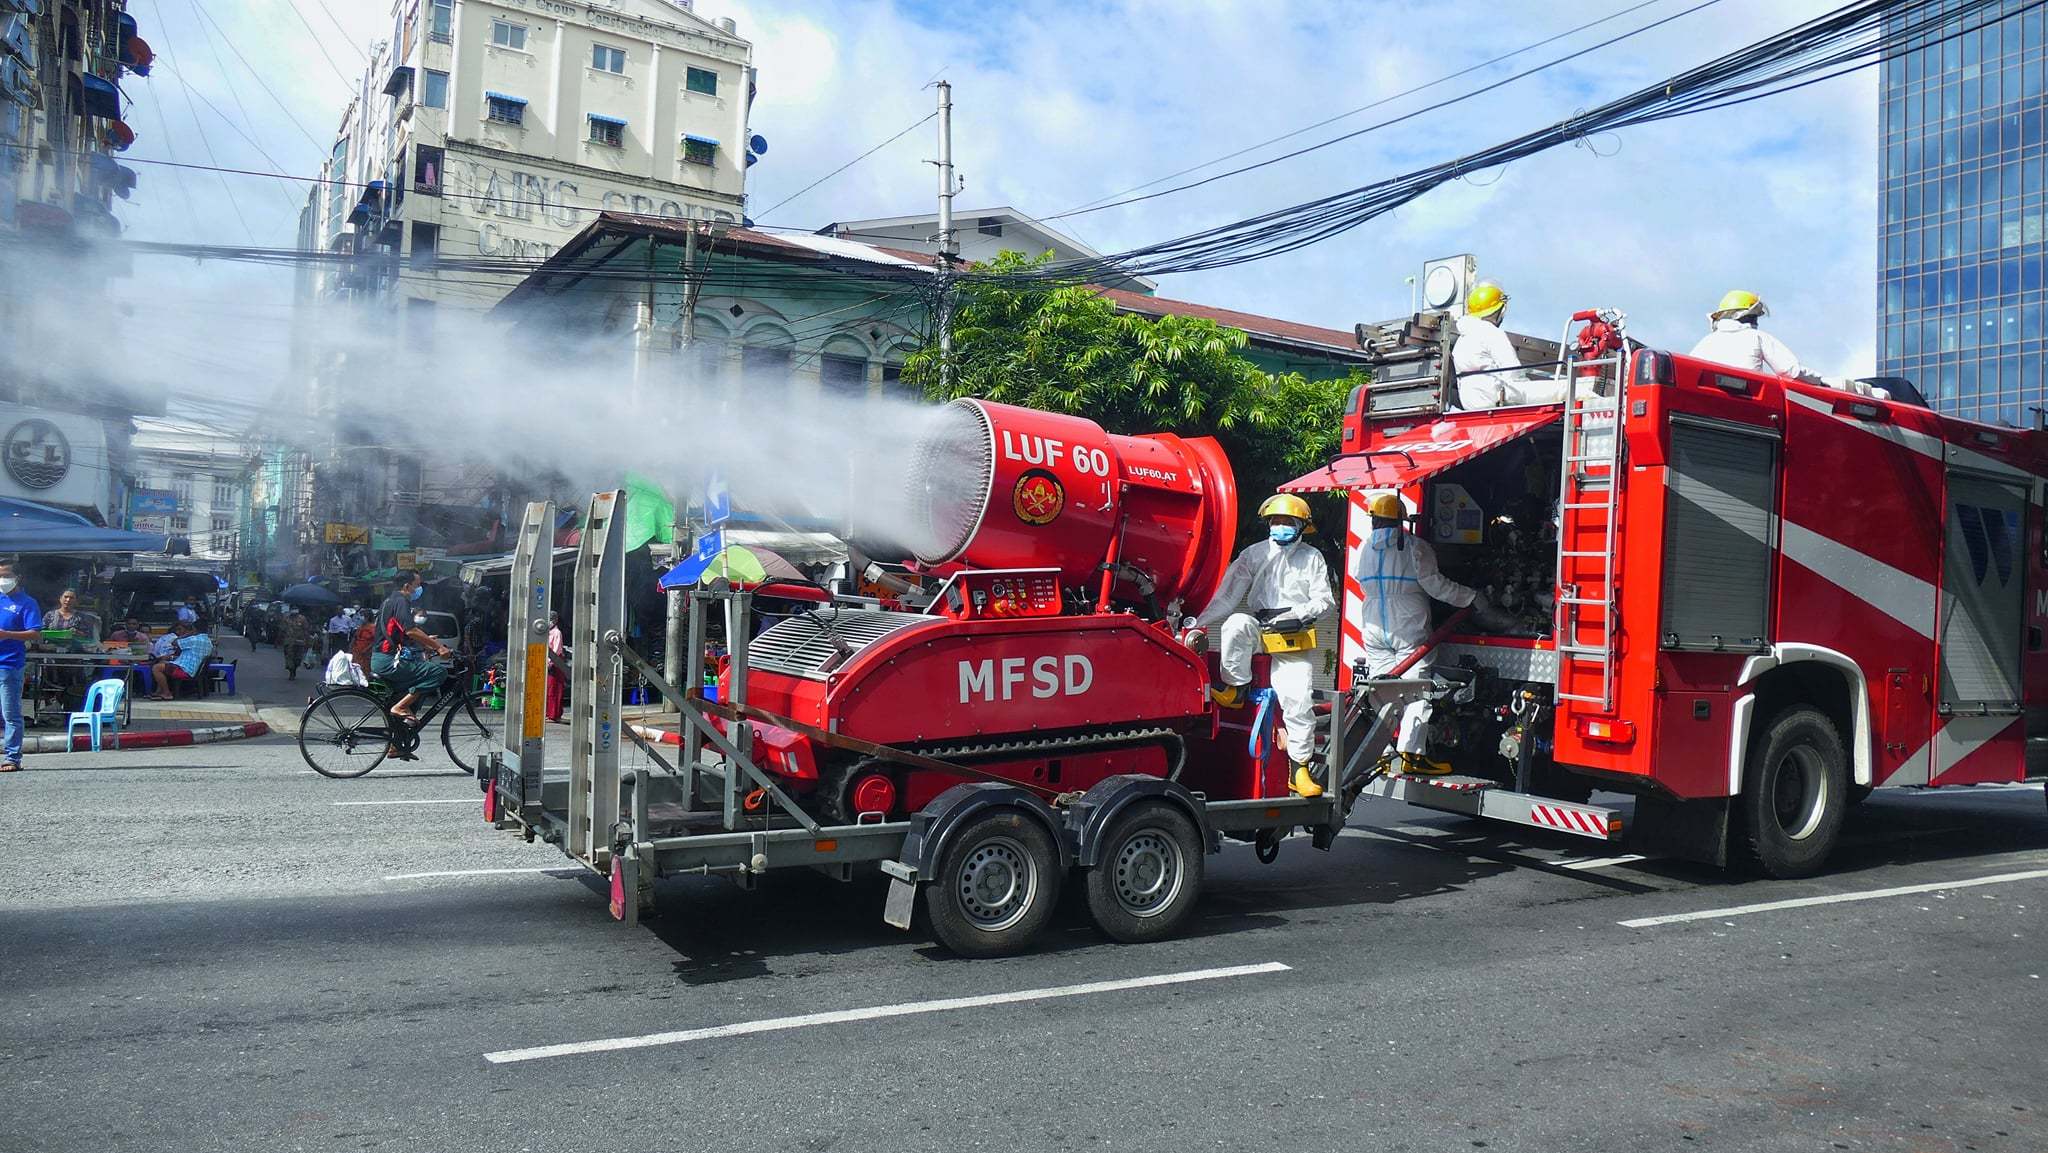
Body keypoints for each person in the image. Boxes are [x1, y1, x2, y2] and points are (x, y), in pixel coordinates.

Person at [1190, 494, 1335, 798]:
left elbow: (1324, 600)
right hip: (1261, 624)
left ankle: (1299, 771)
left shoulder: (1312, 558)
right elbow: (1227, 597)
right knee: (1235, 624)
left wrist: (1298, 615)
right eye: (1276, 521)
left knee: (1297, 701)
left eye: (1287, 522)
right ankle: (1236, 688)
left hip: (1293, 633)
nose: (1280, 526)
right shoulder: (1254, 554)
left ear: (1300, 526)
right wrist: (1195, 623)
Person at [1354, 492, 1487, 774]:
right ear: (1402, 519)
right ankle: (1411, 756)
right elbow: (1435, 585)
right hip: (1407, 624)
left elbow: (1358, 578)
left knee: (1382, 692)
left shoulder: (1363, 548)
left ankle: (1382, 752)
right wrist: (1471, 597)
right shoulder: (1415, 546)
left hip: (1374, 624)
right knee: (1416, 689)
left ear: (1374, 520)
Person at [1690, 290, 1890, 399]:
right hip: (1750, 406)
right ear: (1747, 316)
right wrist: (1824, 382)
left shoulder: (1703, 344)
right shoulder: (1757, 338)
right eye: (1755, 316)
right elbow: (1792, 372)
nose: (1756, 321)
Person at [1451, 281, 1567, 410]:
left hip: (1471, 402)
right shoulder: (1491, 333)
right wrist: (1528, 390)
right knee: (1569, 389)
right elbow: (1513, 372)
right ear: (1500, 309)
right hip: (1496, 396)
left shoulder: (1462, 340)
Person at [372, 570, 453, 721]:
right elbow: (411, 630)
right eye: (417, 585)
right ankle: (400, 707)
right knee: (438, 672)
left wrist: (425, 642)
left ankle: (396, 741)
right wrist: (438, 647)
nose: (418, 589)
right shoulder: (401, 601)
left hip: (383, 659)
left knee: (412, 694)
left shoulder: (389, 601)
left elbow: (399, 634)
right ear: (407, 586)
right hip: (389, 661)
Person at [0, 560, 43, 772]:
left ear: (17, 578)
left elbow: (35, 633)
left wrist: (7, 635)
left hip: (8, 665)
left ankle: (12, 757)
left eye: (6, 575)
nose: (2, 580)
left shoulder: (27, 603)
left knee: (10, 713)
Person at [147, 621, 213, 700]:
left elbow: (174, 643)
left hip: (184, 670)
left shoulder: (193, 639)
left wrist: (188, 634)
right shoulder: (209, 642)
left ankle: (166, 693)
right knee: (162, 663)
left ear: (194, 629)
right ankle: (159, 692)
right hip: (194, 670)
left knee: (156, 668)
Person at [544, 610, 568, 724]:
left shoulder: (557, 633)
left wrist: (550, 662)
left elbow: (557, 650)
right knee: (549, 689)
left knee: (555, 689)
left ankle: (554, 714)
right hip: (549, 663)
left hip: (555, 663)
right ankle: (549, 713)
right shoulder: (547, 632)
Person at [279, 607, 311, 682]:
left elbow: (306, 630)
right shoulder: (286, 618)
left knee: (298, 659)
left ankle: (294, 669)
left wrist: (308, 641)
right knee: (289, 658)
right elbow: (282, 629)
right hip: (288, 642)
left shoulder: (302, 619)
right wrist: (279, 639)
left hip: (299, 642)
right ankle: (291, 672)